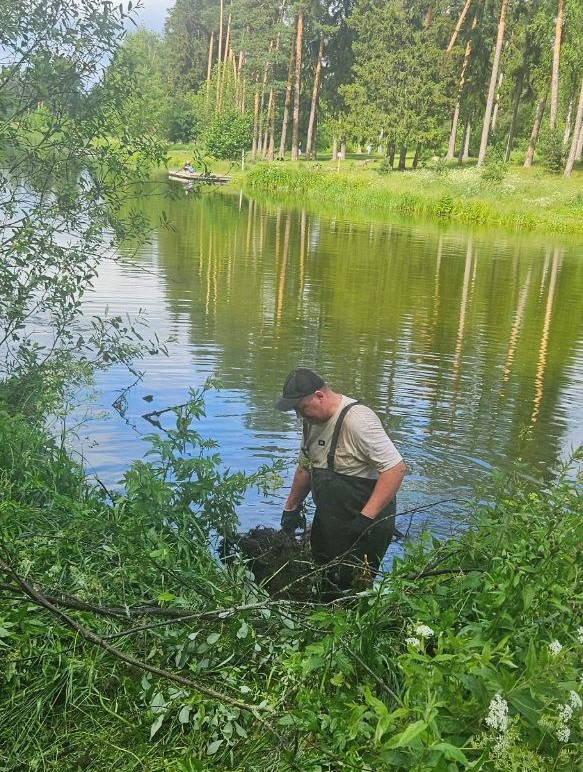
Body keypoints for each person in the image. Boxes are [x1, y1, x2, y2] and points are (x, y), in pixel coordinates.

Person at [276, 367, 406, 592]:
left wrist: (366, 519)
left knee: (353, 586)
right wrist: (291, 509)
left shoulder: (357, 420)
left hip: (366, 520)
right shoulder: (311, 422)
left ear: (319, 396)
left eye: (301, 408)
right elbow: (305, 466)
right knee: (322, 579)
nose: (299, 416)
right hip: (330, 515)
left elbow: (395, 469)